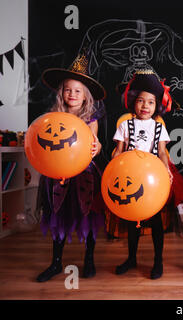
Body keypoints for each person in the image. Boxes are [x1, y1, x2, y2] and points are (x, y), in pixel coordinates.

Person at [37, 52, 107, 282]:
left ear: (85, 96)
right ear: (62, 92)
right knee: (58, 216)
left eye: (77, 91)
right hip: (58, 175)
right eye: (68, 90)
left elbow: (93, 145)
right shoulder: (54, 116)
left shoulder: (92, 117)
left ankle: (89, 259)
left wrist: (96, 147)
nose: (72, 94)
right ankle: (56, 262)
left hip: (84, 174)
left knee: (87, 216)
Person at [112, 69, 172, 279]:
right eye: (140, 101)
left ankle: (158, 261)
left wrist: (165, 169)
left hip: (152, 181)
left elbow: (163, 151)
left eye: (150, 102)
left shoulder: (158, 127)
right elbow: (118, 152)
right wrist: (113, 172)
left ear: (157, 106)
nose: (145, 106)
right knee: (132, 222)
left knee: (155, 222)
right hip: (130, 179)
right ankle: (131, 258)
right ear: (132, 102)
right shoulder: (124, 125)